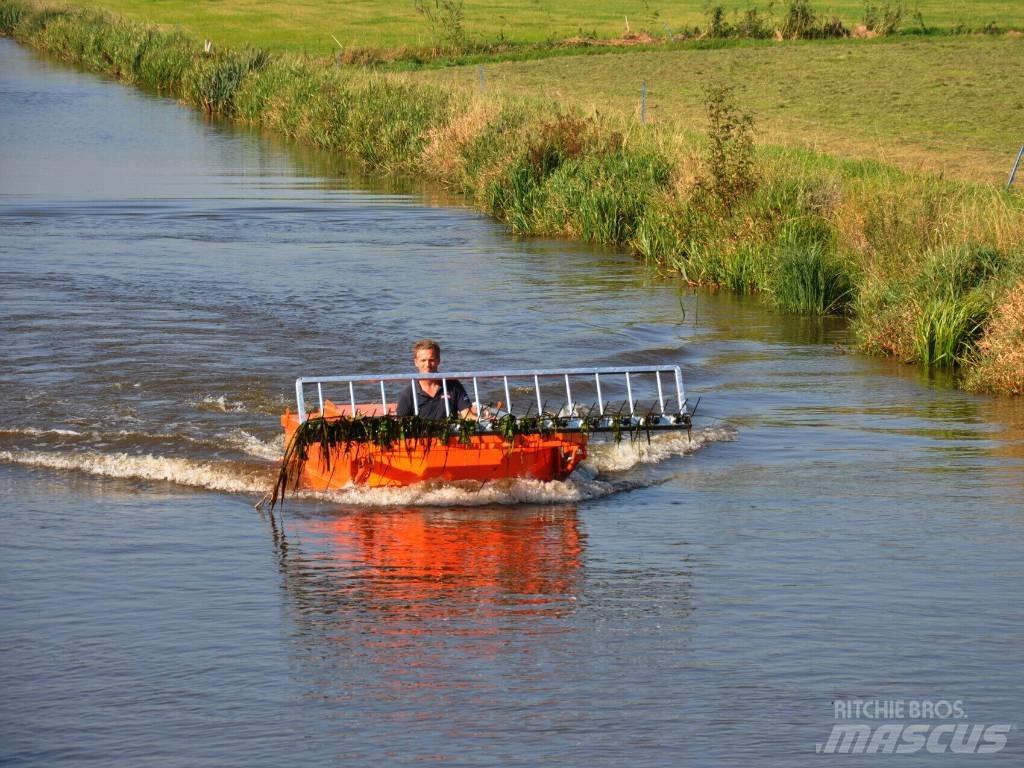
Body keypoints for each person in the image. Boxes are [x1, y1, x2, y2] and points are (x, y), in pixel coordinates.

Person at [396, 339, 478, 420]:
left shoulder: (453, 385)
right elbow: (400, 424)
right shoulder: (408, 394)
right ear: (416, 362)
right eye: (423, 360)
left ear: (438, 360)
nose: (427, 364)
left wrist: (487, 421)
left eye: (431, 360)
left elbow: (468, 415)